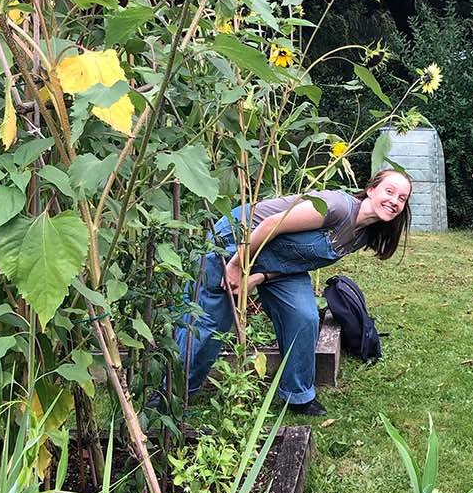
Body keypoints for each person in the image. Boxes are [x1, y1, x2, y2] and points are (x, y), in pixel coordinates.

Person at [176, 169, 412, 415]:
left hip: (277, 263)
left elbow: (302, 260)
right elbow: (271, 224)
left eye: (401, 198)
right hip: (240, 242)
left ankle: (297, 395)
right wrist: (236, 266)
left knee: (304, 317)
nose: (394, 201)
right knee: (208, 327)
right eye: (389, 191)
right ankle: (173, 395)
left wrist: (259, 277)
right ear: (371, 190)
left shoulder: (361, 235)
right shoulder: (337, 207)